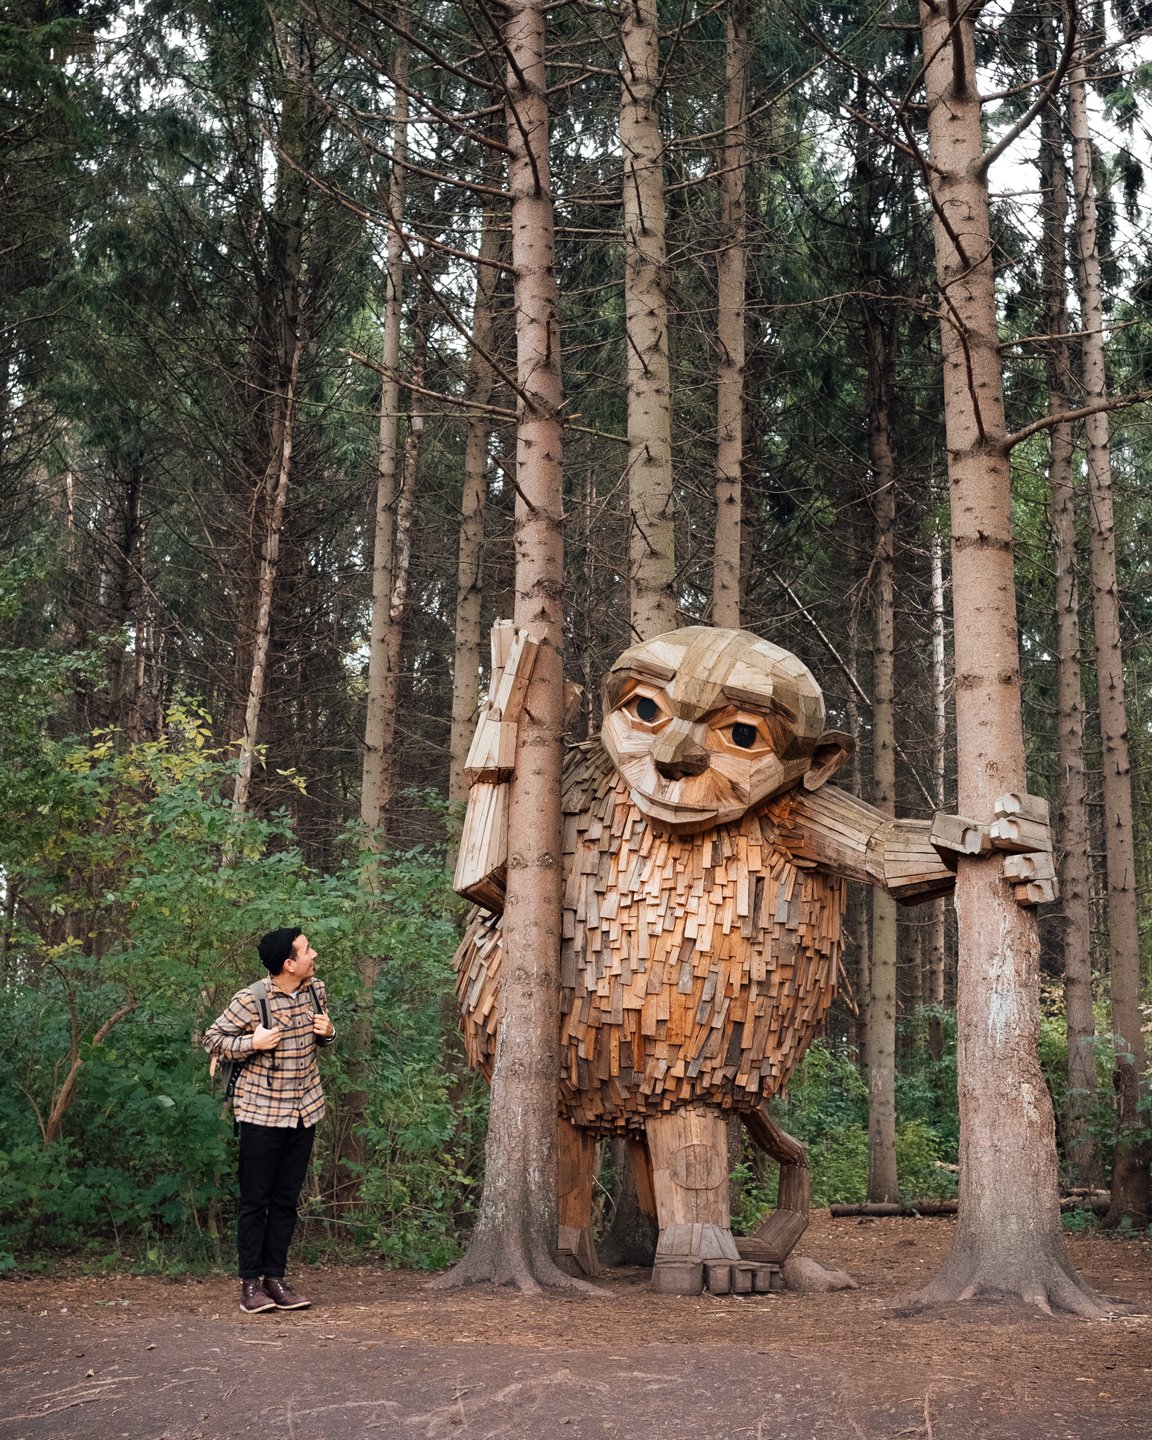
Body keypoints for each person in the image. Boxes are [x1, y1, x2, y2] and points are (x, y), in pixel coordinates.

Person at [204, 927, 336, 1313]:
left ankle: (275, 1280)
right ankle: (250, 1286)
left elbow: (323, 1038)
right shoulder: (251, 999)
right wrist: (251, 1043)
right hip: (261, 1112)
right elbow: (213, 1039)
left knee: (285, 1201)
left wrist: (329, 1033)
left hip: (304, 1110)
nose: (315, 954)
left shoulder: (316, 990)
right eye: (308, 950)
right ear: (288, 964)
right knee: (254, 1200)